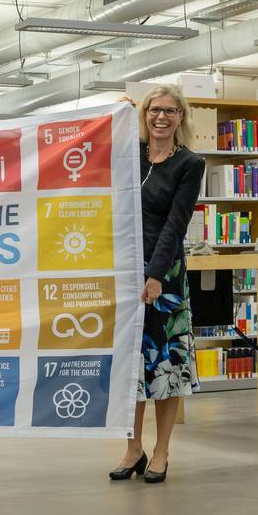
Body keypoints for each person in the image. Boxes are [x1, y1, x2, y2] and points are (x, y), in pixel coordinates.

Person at [110, 85, 204, 484]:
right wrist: (109, 115)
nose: (160, 117)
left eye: (169, 110)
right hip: (124, 271)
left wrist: (154, 275)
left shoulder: (189, 164)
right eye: (153, 110)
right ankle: (133, 448)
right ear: (144, 113)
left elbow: (175, 225)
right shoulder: (131, 156)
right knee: (131, 366)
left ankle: (162, 449)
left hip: (163, 278)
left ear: (181, 116)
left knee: (166, 367)